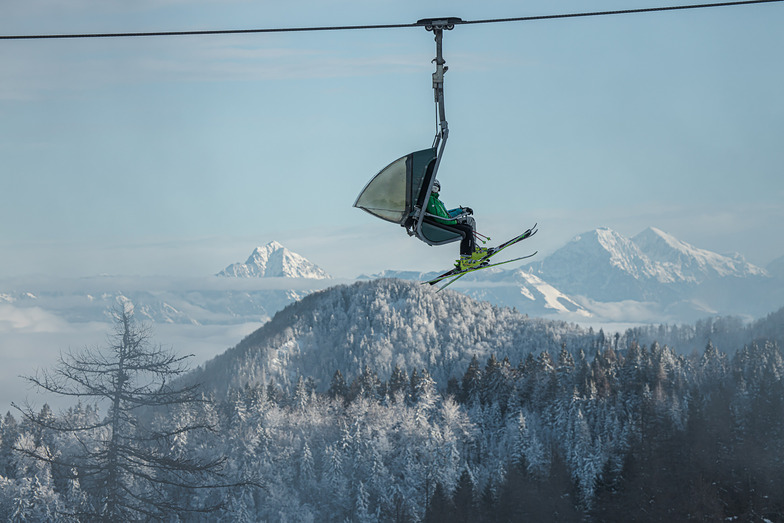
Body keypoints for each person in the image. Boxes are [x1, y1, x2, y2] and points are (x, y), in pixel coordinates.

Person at [426, 179, 488, 269]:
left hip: (443, 222)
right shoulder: (431, 201)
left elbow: (446, 214)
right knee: (467, 229)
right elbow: (442, 219)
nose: (434, 190)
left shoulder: (436, 201)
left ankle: (472, 251)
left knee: (469, 222)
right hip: (441, 225)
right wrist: (455, 221)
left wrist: (460, 211)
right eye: (433, 188)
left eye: (436, 188)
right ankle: (466, 259)